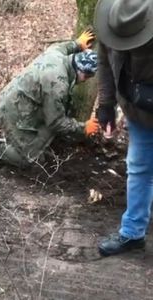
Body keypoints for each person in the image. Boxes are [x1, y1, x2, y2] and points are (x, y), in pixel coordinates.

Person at [0, 30, 100, 168]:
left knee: (46, 134)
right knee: (31, 159)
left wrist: (77, 44)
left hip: (14, 100)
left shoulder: (57, 54)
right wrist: (83, 128)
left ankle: (27, 141)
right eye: (87, 78)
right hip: (11, 111)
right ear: (83, 74)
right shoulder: (58, 84)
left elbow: (62, 47)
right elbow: (56, 122)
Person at [94, 0, 153, 256]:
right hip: (138, 111)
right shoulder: (112, 20)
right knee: (138, 168)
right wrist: (106, 105)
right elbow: (105, 63)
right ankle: (133, 233)